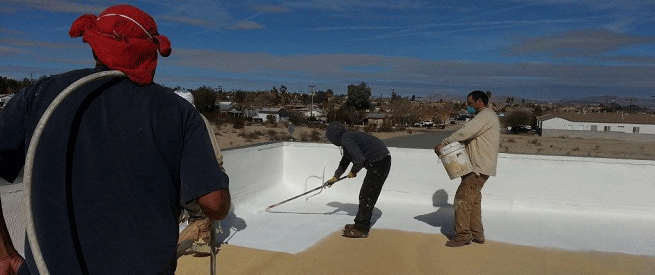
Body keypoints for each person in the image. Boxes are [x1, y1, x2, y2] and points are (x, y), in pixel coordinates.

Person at [0, 4, 231, 274]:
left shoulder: (39, 95)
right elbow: (214, 204)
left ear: (94, 46)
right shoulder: (177, 112)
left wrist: (4, 253)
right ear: (150, 51)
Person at [434, 90, 500, 247]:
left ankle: (463, 235)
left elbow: (466, 132)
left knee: (462, 200)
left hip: (478, 168)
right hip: (479, 167)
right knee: (473, 202)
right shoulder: (487, 116)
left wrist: (445, 142)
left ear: (479, 101)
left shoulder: (485, 116)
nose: (468, 106)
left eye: (470, 103)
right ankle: (477, 234)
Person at [173, 89, 226, 256]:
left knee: (196, 206)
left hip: (206, 170)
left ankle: (201, 235)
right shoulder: (187, 119)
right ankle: (199, 236)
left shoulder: (195, 120)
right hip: (199, 169)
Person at [324, 122, 391, 238]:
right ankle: (359, 224)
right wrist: (335, 177)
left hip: (380, 162)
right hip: (379, 161)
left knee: (367, 195)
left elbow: (359, 159)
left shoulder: (346, 139)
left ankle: (361, 228)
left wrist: (354, 171)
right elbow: (345, 160)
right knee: (366, 194)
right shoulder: (347, 137)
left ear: (333, 137)